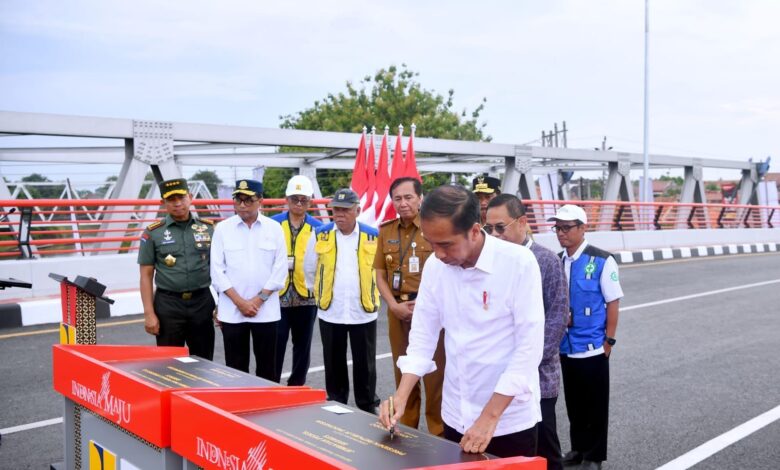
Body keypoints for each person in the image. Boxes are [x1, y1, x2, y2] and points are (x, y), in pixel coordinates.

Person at [380, 185, 545, 458]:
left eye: (446, 244)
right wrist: (401, 394)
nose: (439, 253)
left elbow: (528, 350)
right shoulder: (435, 266)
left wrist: (489, 418)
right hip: (456, 413)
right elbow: (423, 336)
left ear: (474, 231)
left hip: (507, 420)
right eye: (432, 243)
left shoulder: (518, 263)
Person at [486, 194, 568, 470]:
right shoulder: (491, 261)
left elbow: (557, 318)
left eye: (501, 227)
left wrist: (525, 361)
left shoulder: (546, 261)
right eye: (489, 229)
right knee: (508, 452)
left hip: (538, 377)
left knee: (545, 449)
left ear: (522, 222)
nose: (494, 235)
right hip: (499, 377)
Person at [549, 205, 623, 470]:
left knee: (595, 407)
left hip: (593, 347)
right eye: (557, 228)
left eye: (567, 228)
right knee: (574, 405)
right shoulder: (557, 261)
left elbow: (613, 302)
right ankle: (578, 450)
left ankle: (594, 456)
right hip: (566, 347)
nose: (561, 233)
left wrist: (609, 342)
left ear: (582, 228)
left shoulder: (601, 260)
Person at [373, 177, 445, 435]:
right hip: (398, 311)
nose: (402, 204)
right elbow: (380, 274)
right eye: (397, 199)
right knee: (403, 372)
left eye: (408, 197)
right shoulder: (387, 230)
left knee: (435, 378)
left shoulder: (434, 227)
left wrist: (425, 305)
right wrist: (392, 306)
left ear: (420, 198)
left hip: (430, 312)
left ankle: (439, 434)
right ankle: (405, 430)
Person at [304, 188, 381, 413]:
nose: (339, 214)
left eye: (345, 210)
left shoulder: (372, 235)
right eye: (336, 209)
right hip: (331, 310)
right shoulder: (320, 234)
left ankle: (367, 405)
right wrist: (319, 293)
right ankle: (337, 402)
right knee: (333, 361)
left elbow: (381, 270)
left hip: (363, 310)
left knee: (365, 363)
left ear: (357, 210)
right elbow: (310, 268)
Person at [210, 179, 287, 381]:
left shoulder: (274, 228)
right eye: (238, 200)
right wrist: (241, 303)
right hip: (233, 312)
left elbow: (280, 270)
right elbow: (217, 271)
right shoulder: (222, 229)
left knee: (267, 369)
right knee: (235, 370)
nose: (242, 205)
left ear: (260, 200)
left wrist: (258, 300)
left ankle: (268, 410)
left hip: (266, 311)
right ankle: (238, 410)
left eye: (248, 200)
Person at [138, 178, 216, 359]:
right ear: (163, 203)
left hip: (202, 302)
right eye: (171, 199)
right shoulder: (153, 232)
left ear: (190, 197)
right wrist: (149, 314)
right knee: (169, 363)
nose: (177, 203)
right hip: (168, 305)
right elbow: (146, 275)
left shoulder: (208, 229)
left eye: (181, 197)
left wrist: (223, 305)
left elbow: (220, 269)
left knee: (204, 362)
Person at [271, 175, 322, 386]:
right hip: (277, 296)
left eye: (304, 200)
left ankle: (297, 385)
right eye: (295, 199)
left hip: (306, 297)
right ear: (287, 199)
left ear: (310, 201)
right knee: (275, 344)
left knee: (303, 346)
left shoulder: (319, 228)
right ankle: (271, 384)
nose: (299, 204)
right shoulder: (273, 224)